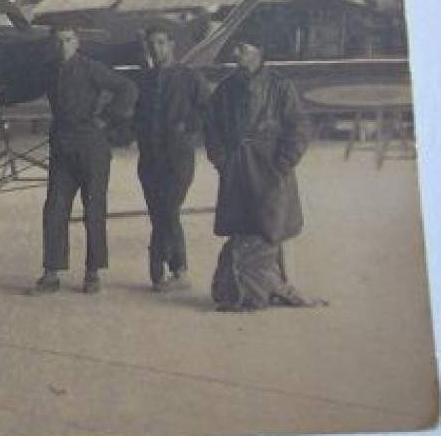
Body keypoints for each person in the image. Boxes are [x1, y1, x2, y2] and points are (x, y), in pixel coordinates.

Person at [203, 37, 318, 311]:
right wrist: (221, 159)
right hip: (237, 168)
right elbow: (211, 126)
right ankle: (247, 288)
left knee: (270, 227)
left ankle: (267, 285)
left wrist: (284, 162)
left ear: (259, 51)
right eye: (235, 48)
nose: (236, 52)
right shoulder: (226, 89)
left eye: (242, 47)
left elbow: (299, 125)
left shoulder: (280, 86)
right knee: (243, 226)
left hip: (270, 169)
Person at [30, 26, 136, 296]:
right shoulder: (48, 71)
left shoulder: (91, 68)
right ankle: (51, 272)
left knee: (94, 209)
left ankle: (93, 272)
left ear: (77, 43)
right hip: (63, 147)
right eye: (58, 42)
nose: (63, 46)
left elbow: (127, 88)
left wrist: (107, 118)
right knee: (54, 208)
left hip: (91, 147)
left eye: (68, 40)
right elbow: (24, 86)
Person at [134, 23, 211, 291]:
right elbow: (136, 114)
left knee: (168, 209)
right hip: (149, 158)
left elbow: (207, 112)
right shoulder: (143, 79)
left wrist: (187, 126)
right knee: (159, 212)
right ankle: (169, 272)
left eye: (162, 43)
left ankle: (174, 269)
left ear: (173, 44)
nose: (157, 49)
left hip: (178, 157)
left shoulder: (190, 77)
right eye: (152, 44)